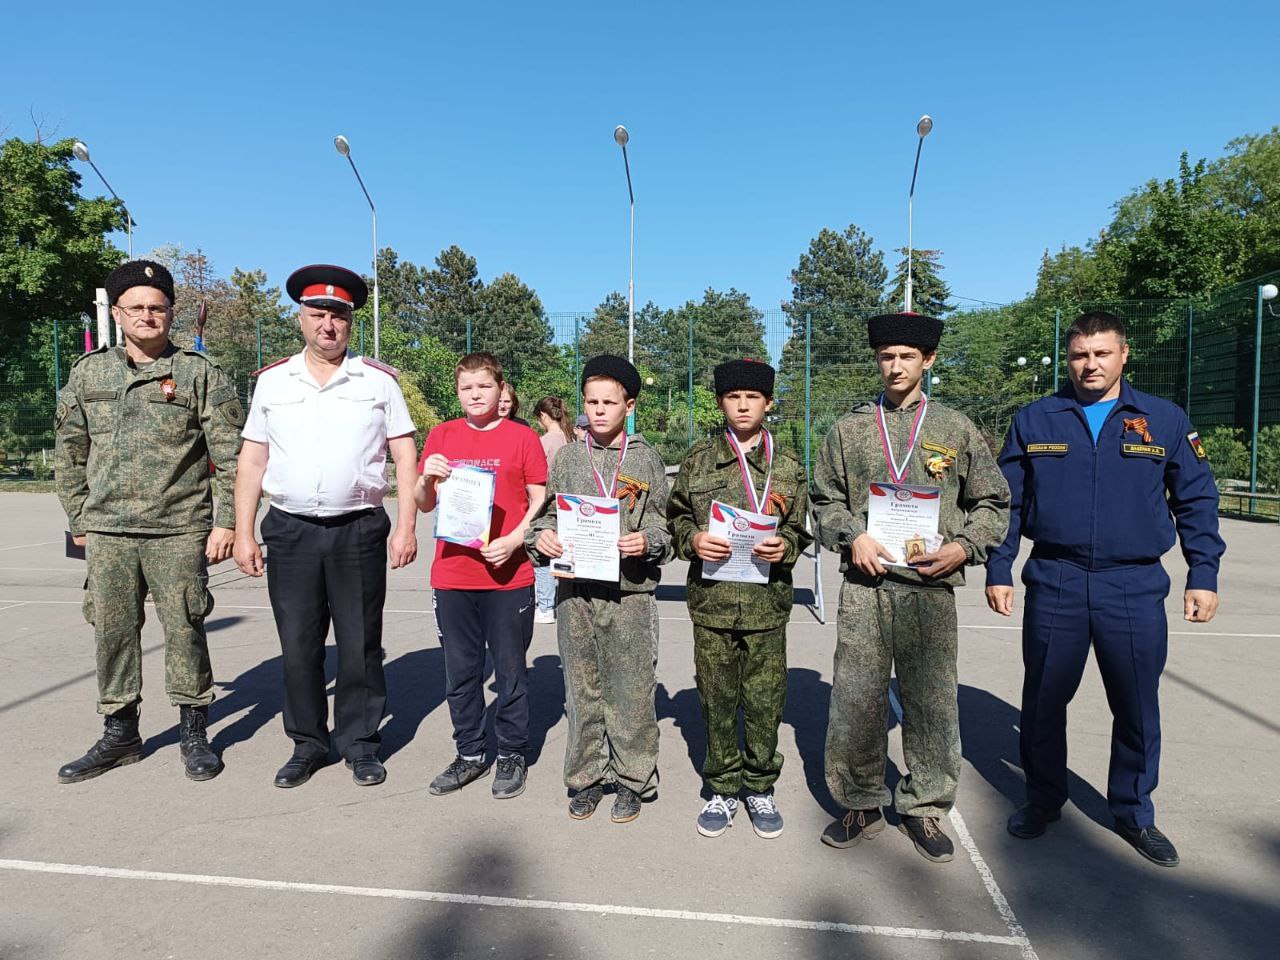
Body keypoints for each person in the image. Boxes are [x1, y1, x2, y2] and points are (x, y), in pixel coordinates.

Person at [985, 310, 1224, 867]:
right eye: (1079, 355)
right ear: (1067, 359)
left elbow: (1197, 499)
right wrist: (999, 567)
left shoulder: (1163, 420)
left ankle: (1134, 812)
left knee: (1136, 705)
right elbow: (1007, 502)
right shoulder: (1036, 419)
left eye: (1101, 353)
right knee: (1044, 700)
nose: (1089, 365)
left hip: (1133, 585)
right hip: (1057, 579)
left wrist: (1203, 574)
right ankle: (1043, 799)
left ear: (1123, 355)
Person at [810, 312, 1010, 863]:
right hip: (866, 586)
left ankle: (925, 806)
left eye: (906, 357)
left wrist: (964, 547)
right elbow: (824, 500)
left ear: (928, 360)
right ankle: (859, 802)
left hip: (929, 586)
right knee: (856, 699)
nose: (895, 366)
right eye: (886, 356)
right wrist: (852, 535)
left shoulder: (955, 428)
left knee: (932, 701)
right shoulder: (849, 429)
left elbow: (993, 502)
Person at [54, 259, 243, 783]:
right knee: (112, 631)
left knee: (185, 628)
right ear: (116, 313)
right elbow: (69, 451)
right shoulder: (89, 373)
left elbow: (230, 455)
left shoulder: (199, 373)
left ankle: (194, 730)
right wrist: (78, 516)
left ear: (170, 313)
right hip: (108, 530)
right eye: (135, 307)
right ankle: (121, 733)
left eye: (156, 307)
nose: (146, 316)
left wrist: (227, 522)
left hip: (178, 528)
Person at [232, 264, 419, 789]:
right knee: (298, 644)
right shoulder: (273, 382)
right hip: (290, 530)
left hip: (358, 528)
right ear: (301, 319)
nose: (328, 325)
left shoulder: (378, 382)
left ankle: (360, 743)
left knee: (360, 643)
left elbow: (405, 455)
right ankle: (307, 744)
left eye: (338, 315)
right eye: (318, 314)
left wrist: (406, 526)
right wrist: (244, 532)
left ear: (350, 322)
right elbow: (252, 460)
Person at [667, 359, 811, 839]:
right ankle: (723, 788)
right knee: (717, 699)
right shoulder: (698, 460)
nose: (743, 405)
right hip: (712, 603)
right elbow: (677, 516)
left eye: (753, 397)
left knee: (766, 701)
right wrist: (693, 540)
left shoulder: (788, 465)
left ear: (768, 403)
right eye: (733, 397)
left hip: (767, 606)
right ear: (720, 402)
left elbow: (800, 528)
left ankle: (760, 785)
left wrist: (785, 545)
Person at [525, 355, 672, 823]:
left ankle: (633, 779)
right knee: (582, 690)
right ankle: (587, 778)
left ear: (630, 405)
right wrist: (541, 538)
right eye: (592, 402)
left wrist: (646, 541)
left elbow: (664, 527)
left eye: (610, 402)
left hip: (630, 594)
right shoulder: (568, 457)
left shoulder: (646, 459)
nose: (600, 410)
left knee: (632, 691)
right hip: (576, 594)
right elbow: (547, 516)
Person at [415, 352, 548, 800]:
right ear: (458, 392)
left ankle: (511, 753)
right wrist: (426, 479)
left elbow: (540, 498)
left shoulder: (522, 437)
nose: (475, 395)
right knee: (460, 673)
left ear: (501, 389)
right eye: (466, 388)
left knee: (510, 672)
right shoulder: (442, 435)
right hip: (453, 575)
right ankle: (469, 753)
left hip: (508, 576)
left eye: (484, 386)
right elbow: (424, 503)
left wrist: (515, 540)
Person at [532, 396, 575, 624]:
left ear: (543, 416)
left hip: (549, 503)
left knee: (542, 554)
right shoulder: (571, 439)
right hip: (570, 504)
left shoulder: (544, 441)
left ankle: (545, 605)